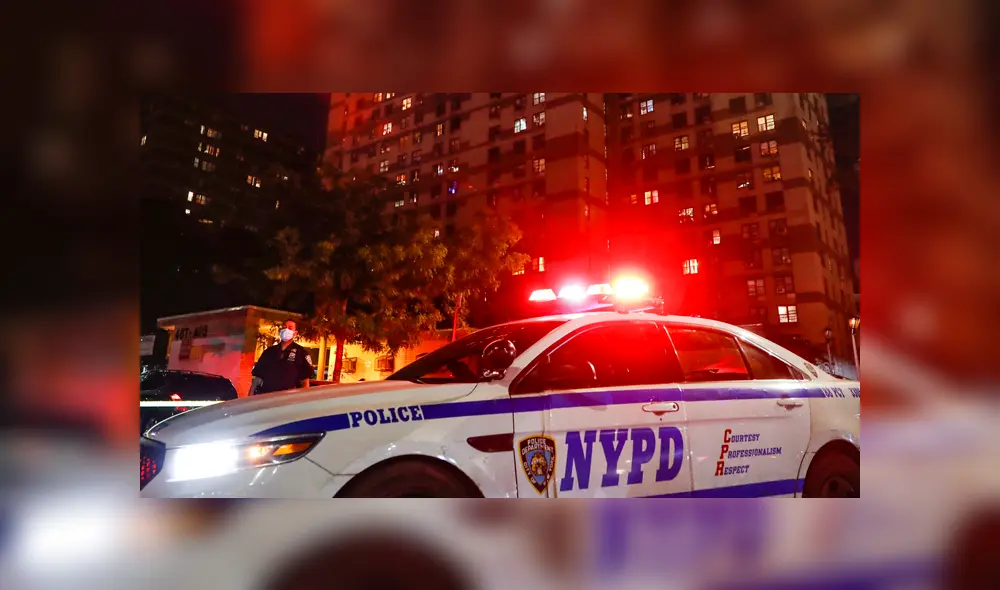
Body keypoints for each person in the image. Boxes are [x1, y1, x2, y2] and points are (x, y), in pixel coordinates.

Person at [250, 319, 313, 395]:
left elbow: (305, 382)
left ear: (295, 333)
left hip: (287, 398)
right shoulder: (269, 352)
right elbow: (258, 378)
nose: (286, 330)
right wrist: (250, 396)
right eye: (284, 327)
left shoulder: (301, 353)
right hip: (266, 396)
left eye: (290, 328)